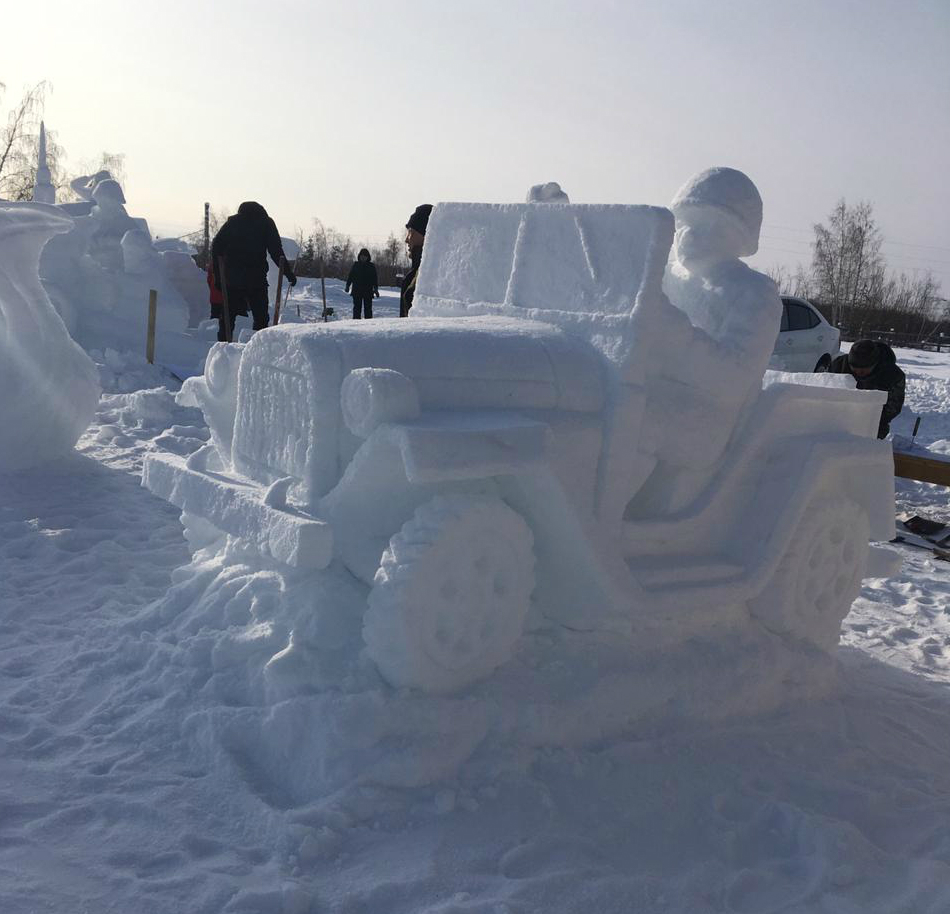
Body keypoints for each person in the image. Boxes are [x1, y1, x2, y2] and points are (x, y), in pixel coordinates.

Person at [210, 201, 296, 342]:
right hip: (256, 279)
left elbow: (216, 246)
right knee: (261, 318)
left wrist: (219, 277)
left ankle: (223, 346)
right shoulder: (266, 223)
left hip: (233, 278)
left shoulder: (233, 222)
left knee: (227, 317)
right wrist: (288, 273)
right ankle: (259, 346)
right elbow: (276, 251)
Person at [829, 339, 905, 438]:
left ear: (875, 364)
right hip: (840, 415)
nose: (858, 373)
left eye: (863, 371)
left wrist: (866, 418)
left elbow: (893, 407)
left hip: (874, 418)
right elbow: (826, 391)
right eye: (854, 369)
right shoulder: (838, 365)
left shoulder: (893, 375)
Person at [400, 204, 432, 317]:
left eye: (411, 232)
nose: (406, 239)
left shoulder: (430, 275)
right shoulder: (416, 273)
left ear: (426, 235)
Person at [345, 248, 379, 319]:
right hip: (357, 290)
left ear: (368, 257)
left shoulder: (371, 266)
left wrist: (376, 289)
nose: (363, 258)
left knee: (368, 309)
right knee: (357, 309)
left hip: (368, 291)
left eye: (365, 256)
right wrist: (347, 286)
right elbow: (350, 276)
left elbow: (374, 278)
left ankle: (369, 323)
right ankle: (356, 323)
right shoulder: (356, 265)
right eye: (361, 256)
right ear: (359, 257)